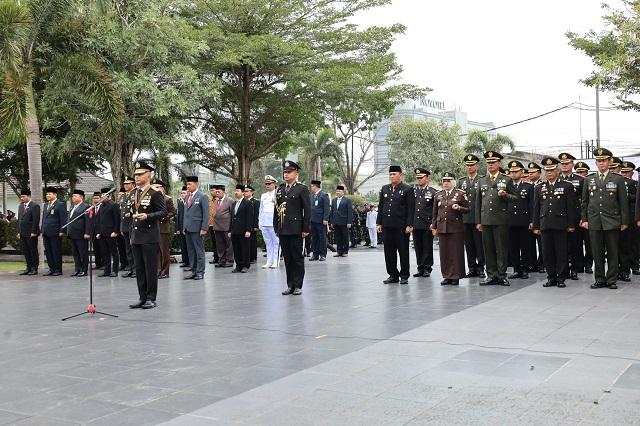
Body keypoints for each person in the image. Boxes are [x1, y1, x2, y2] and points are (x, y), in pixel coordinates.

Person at [581, 148, 629, 290]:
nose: (601, 163)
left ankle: (611, 279)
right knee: (597, 251)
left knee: (613, 251)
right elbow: (585, 201)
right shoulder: (589, 179)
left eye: (604, 161)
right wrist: (584, 219)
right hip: (594, 220)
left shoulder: (618, 179)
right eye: (599, 161)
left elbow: (623, 202)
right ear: (596, 162)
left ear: (609, 161)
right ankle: (600, 279)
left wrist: (624, 221)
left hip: (612, 221)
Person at [129, 161, 167, 309]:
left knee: (150, 268)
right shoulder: (135, 193)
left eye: (140, 174)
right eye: (135, 175)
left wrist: (148, 216)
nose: (136, 177)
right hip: (137, 235)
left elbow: (163, 212)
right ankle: (142, 297)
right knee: (139, 268)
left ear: (149, 175)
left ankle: (151, 298)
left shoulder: (154, 193)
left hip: (149, 235)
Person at [532, 158, 576, 288]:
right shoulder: (539, 187)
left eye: (552, 170)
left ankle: (561, 277)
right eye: (547, 170)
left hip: (560, 224)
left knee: (561, 252)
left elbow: (570, 207)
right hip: (545, 223)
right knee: (547, 252)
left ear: (557, 170)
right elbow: (536, 208)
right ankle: (551, 277)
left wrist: (571, 224)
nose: (549, 172)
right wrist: (536, 225)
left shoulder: (566, 185)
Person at [475, 151, 516, 286]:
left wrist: (505, 195)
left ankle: (502, 275)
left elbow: (515, 198)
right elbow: (478, 203)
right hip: (485, 220)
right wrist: (478, 221)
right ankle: (491, 275)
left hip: (500, 220)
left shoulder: (506, 179)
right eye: (488, 163)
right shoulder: (481, 180)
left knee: (501, 248)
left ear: (499, 163)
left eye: (493, 163)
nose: (490, 165)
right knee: (488, 249)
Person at [274, 160, 311, 295]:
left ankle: (298, 285)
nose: (286, 174)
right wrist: (276, 226)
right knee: (288, 258)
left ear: (296, 173)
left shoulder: (302, 189)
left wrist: (305, 228)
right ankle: (290, 285)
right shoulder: (280, 189)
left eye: (289, 172)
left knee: (297, 258)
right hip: (283, 228)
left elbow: (307, 210)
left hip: (296, 228)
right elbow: (276, 209)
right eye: (285, 172)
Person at [376, 165, 414, 285]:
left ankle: (404, 275)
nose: (392, 176)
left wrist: (409, 225)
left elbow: (411, 209)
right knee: (389, 252)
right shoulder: (385, 188)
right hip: (387, 226)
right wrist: (379, 222)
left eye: (394, 174)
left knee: (403, 251)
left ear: (400, 175)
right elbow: (381, 206)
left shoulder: (407, 189)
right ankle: (393, 274)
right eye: (390, 174)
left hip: (401, 226)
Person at [431, 172, 469, 285]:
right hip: (442, 227)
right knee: (444, 253)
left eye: (448, 181)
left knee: (456, 253)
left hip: (456, 228)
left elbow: (468, 209)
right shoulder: (438, 194)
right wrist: (434, 226)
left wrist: (459, 207)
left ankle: (456, 276)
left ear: (453, 182)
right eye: (444, 181)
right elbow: (434, 212)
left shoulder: (460, 193)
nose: (446, 183)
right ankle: (447, 276)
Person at [558, 153, 585, 279]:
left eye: (567, 163)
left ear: (572, 165)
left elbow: (585, 200)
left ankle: (576, 268)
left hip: (575, 216)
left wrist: (583, 217)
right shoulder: (556, 179)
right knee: (562, 245)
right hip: (560, 217)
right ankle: (563, 269)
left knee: (575, 244)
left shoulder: (580, 179)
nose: (564, 165)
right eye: (562, 163)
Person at [458, 154, 485, 278]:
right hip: (465, 218)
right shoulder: (461, 181)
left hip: (477, 218)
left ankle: (480, 268)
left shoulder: (482, 179)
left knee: (479, 245)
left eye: (472, 165)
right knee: (468, 245)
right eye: (468, 165)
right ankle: (471, 268)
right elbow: (457, 199)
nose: (469, 167)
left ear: (477, 166)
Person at [506, 161, 534, 279]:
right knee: (513, 247)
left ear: (522, 172)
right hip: (510, 221)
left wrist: (532, 221)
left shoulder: (528, 187)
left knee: (525, 247)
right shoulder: (506, 186)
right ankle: (517, 270)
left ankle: (525, 269)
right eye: (511, 172)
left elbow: (532, 205)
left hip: (524, 221)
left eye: (516, 171)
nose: (513, 174)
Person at [411, 167, 437, 278]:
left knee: (427, 247)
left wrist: (433, 223)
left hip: (427, 224)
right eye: (417, 178)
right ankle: (420, 267)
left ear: (427, 178)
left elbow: (435, 210)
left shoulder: (432, 192)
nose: (419, 180)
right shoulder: (412, 191)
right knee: (418, 247)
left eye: (421, 178)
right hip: (415, 224)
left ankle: (427, 268)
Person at [183, 176, 209, 280]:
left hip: (197, 229)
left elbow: (206, 214)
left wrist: (204, 228)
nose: (188, 186)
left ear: (196, 184)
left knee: (199, 251)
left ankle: (200, 272)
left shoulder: (202, 196)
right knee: (191, 251)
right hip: (188, 228)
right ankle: (193, 271)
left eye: (190, 184)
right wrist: (184, 227)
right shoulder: (186, 197)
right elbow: (186, 213)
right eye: (187, 184)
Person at [95, 187, 121, 278]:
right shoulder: (101, 205)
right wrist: (98, 232)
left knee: (114, 252)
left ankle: (115, 270)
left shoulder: (114, 205)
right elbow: (98, 220)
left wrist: (116, 231)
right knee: (105, 252)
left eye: (103, 195)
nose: (101, 197)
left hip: (111, 232)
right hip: (102, 233)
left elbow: (117, 220)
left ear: (108, 196)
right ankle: (107, 270)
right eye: (100, 196)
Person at [41, 187, 67, 276]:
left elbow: (63, 219)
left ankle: (58, 269)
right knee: (48, 251)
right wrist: (42, 230)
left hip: (55, 232)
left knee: (56, 251)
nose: (47, 195)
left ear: (55, 195)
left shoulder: (60, 204)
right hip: (46, 232)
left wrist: (62, 230)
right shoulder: (45, 205)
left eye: (49, 194)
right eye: (47, 194)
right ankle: (51, 268)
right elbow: (44, 218)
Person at [619, 161, 638, 280]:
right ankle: (624, 269)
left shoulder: (635, 183)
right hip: (620, 218)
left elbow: (637, 198)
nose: (625, 173)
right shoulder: (618, 183)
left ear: (632, 172)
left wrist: (626, 195)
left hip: (632, 218)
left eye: (627, 171)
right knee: (623, 245)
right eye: (623, 171)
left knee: (634, 244)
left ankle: (635, 265)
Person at [153, 180, 176, 279]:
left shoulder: (167, 199)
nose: (156, 189)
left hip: (163, 227)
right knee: (157, 250)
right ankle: (158, 269)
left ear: (162, 188)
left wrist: (164, 217)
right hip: (154, 227)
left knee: (164, 251)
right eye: (154, 187)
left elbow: (172, 212)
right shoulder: (153, 198)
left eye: (157, 187)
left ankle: (165, 271)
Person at [230, 184, 255, 273]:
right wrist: (230, 230)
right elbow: (232, 217)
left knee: (245, 248)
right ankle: (238, 265)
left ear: (243, 193)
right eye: (235, 191)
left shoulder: (248, 203)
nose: (235, 193)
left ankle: (245, 265)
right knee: (236, 249)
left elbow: (250, 218)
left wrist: (248, 230)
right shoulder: (233, 204)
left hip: (244, 230)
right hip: (235, 231)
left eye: (238, 191)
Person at [66, 189, 91, 277]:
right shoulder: (72, 207)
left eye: (75, 196)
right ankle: (77, 269)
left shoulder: (86, 206)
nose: (73, 198)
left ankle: (84, 270)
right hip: (72, 234)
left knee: (83, 253)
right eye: (73, 196)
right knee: (75, 253)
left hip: (81, 234)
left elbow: (88, 221)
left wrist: (87, 232)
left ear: (81, 197)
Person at [574, 162, 593, 273]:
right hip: (576, 217)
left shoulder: (591, 181)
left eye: (583, 172)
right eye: (578, 172)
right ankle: (579, 265)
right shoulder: (573, 181)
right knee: (576, 243)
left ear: (587, 172)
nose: (581, 174)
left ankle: (588, 264)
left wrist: (585, 217)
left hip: (589, 217)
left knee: (590, 244)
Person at [527, 161, 545, 273]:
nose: (530, 174)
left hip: (540, 219)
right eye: (529, 172)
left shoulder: (543, 185)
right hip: (529, 220)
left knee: (542, 244)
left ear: (539, 173)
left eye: (533, 172)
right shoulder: (527, 186)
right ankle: (532, 263)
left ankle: (542, 263)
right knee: (530, 244)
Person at [16, 189, 40, 275]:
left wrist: (34, 232)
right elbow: (19, 220)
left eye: (23, 196)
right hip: (23, 233)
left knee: (32, 250)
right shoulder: (21, 206)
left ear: (29, 196)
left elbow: (35, 220)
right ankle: (28, 267)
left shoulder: (34, 206)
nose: (21, 198)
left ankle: (34, 268)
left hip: (31, 233)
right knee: (26, 251)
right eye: (21, 196)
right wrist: (19, 231)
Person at [259, 175, 280, 268]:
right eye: (266, 184)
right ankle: (269, 261)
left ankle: (276, 261)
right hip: (265, 223)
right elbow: (261, 210)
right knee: (268, 243)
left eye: (269, 183)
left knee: (276, 242)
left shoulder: (278, 194)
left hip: (274, 223)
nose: (267, 185)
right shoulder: (263, 195)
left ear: (274, 184)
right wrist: (260, 223)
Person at [212, 184, 234, 268]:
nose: (217, 193)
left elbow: (232, 214)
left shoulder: (229, 200)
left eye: (219, 192)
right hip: (217, 226)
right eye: (216, 191)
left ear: (223, 192)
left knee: (229, 245)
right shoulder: (216, 201)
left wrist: (231, 227)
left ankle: (229, 260)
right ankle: (221, 260)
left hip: (226, 226)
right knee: (220, 245)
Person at [309, 180, 330, 261]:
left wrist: (325, 219)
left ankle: (323, 255)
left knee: (322, 238)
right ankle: (315, 254)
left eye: (312, 186)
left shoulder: (324, 195)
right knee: (314, 238)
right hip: (313, 220)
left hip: (321, 220)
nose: (311, 188)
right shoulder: (312, 196)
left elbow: (326, 208)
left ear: (315, 186)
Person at [329, 185, 353, 257]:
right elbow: (332, 212)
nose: (338, 192)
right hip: (336, 222)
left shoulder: (347, 200)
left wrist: (349, 222)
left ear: (343, 192)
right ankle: (339, 251)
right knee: (338, 238)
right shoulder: (334, 200)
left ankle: (345, 252)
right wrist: (332, 222)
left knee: (345, 237)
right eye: (337, 191)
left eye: (339, 191)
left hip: (344, 222)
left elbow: (350, 212)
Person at [120, 177, 136, 277]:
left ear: (133, 184)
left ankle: (136, 270)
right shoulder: (125, 195)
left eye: (128, 184)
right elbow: (122, 213)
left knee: (133, 249)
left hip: (133, 225)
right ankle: (131, 268)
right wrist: (122, 227)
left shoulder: (136, 193)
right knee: (128, 250)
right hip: (125, 226)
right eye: (124, 184)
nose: (125, 185)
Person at [243, 185, 260, 264]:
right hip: (244, 225)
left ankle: (253, 257)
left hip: (253, 225)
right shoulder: (243, 202)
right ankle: (247, 257)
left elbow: (256, 214)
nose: (245, 192)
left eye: (247, 191)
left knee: (252, 242)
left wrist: (256, 225)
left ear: (252, 192)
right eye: (244, 191)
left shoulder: (255, 202)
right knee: (245, 242)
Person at [176, 186, 190, 268]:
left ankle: (189, 261)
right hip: (181, 228)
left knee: (188, 246)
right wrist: (177, 228)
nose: (182, 194)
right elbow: (178, 216)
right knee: (183, 246)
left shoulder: (188, 202)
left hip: (187, 228)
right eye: (181, 193)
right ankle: (185, 260)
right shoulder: (180, 202)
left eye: (184, 193)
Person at [90, 192, 103, 269]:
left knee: (103, 248)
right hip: (93, 231)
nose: (95, 200)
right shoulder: (92, 208)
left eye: (97, 198)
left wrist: (100, 231)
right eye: (94, 198)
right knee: (96, 249)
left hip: (101, 231)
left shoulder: (103, 207)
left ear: (100, 198)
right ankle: (98, 264)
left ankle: (104, 264)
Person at [207, 184, 219, 265]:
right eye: (210, 190)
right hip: (211, 225)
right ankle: (216, 258)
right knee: (214, 242)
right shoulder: (210, 201)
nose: (211, 192)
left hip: (218, 225)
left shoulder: (219, 200)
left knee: (220, 242)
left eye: (213, 190)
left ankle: (221, 258)